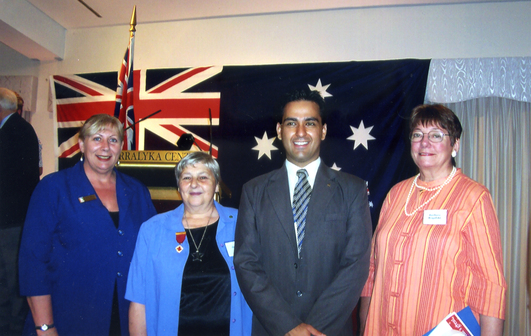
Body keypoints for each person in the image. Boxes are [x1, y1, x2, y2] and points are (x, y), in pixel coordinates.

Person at [359, 104, 507, 336]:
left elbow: (490, 285)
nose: (424, 143)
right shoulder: (396, 194)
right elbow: (372, 268)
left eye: (436, 135)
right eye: (417, 135)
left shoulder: (474, 197)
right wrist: (364, 326)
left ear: (455, 144)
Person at [234, 90, 372, 336]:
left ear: (323, 131)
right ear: (279, 131)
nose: (300, 132)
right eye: (291, 123)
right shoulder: (253, 191)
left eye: (310, 123)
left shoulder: (353, 190)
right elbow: (246, 264)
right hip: (272, 329)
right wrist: (288, 326)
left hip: (329, 330)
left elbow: (356, 265)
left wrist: (313, 329)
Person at [19, 114, 157, 336]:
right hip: (66, 320)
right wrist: (44, 328)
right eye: (97, 138)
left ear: (121, 146)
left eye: (113, 140)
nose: (105, 147)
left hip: (124, 319)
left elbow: (153, 253)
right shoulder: (53, 188)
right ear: (81, 144)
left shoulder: (137, 191)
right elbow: (33, 263)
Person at [126, 151, 252, 336]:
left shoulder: (241, 223)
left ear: (217, 185)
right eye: (187, 178)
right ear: (179, 186)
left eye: (203, 177)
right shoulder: (152, 230)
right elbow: (138, 300)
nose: (194, 184)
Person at [0, 88, 40, 335]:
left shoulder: (15, 131)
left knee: (11, 283)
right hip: (10, 218)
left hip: (11, 220)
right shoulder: (17, 128)